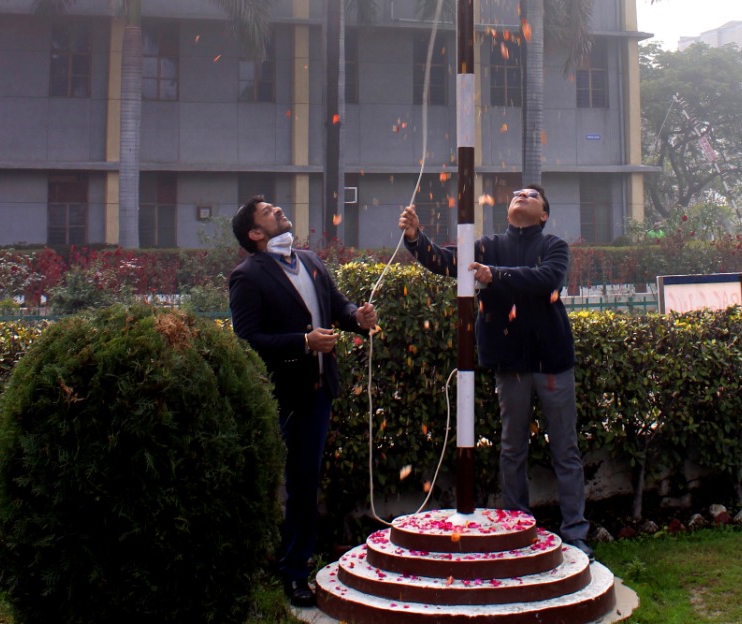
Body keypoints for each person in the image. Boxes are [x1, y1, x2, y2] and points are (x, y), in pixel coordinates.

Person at [398, 183, 591, 555]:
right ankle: (518, 528)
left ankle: (576, 532)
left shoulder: (554, 246)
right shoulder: (487, 246)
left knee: (565, 449)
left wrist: (495, 275)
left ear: (544, 214)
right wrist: (415, 238)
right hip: (509, 362)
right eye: (518, 194)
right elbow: (446, 261)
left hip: (552, 360)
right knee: (512, 448)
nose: (522, 195)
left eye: (531, 195)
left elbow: (548, 279)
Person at [229, 198, 377, 609]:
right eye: (267, 212)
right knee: (290, 483)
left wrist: (357, 317)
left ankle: (296, 563)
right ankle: (286, 570)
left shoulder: (310, 260)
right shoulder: (247, 276)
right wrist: (303, 343)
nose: (277, 210)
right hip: (283, 394)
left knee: (307, 481)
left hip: (319, 391)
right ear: (255, 234)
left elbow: (337, 306)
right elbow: (247, 339)